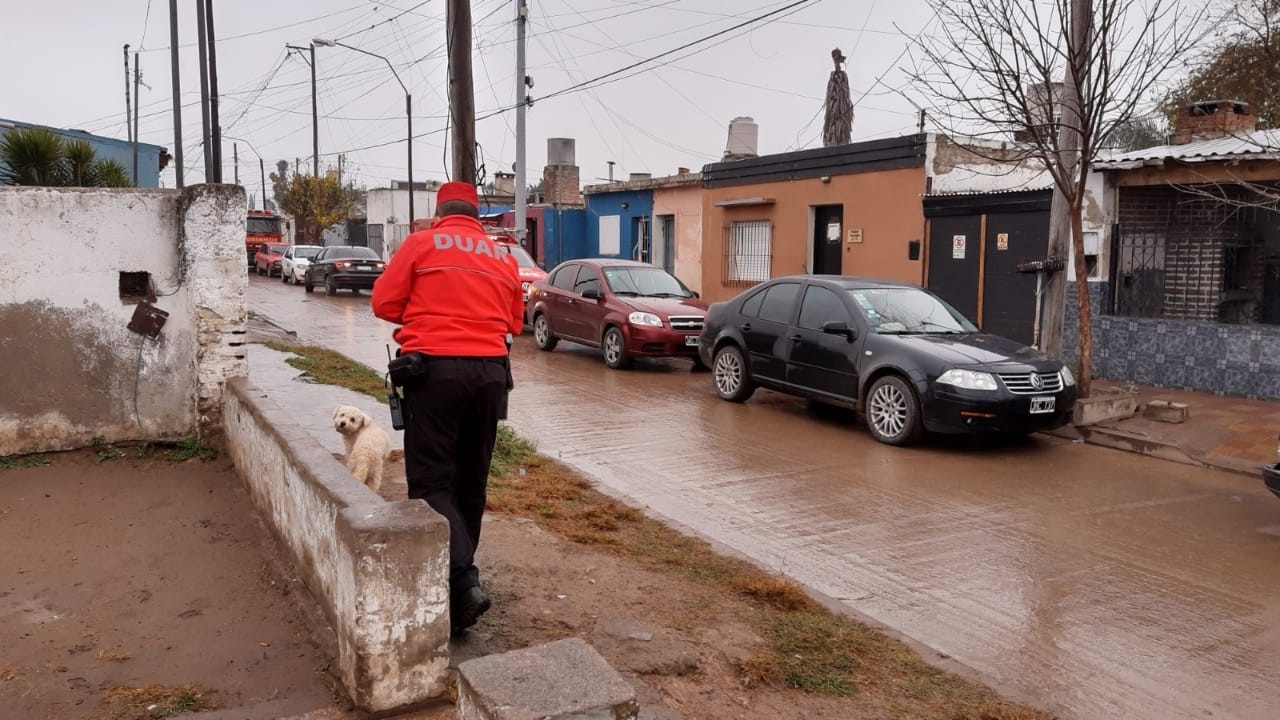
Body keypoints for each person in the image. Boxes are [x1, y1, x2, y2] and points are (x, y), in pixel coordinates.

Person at [371, 181, 523, 634]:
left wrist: (429, 311)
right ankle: (460, 595)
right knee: (470, 483)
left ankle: (463, 581)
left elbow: (383, 302)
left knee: (432, 483)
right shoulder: (503, 257)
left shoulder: (422, 244)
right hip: (492, 376)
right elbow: (514, 321)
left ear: (440, 214)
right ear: (477, 217)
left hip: (434, 375)